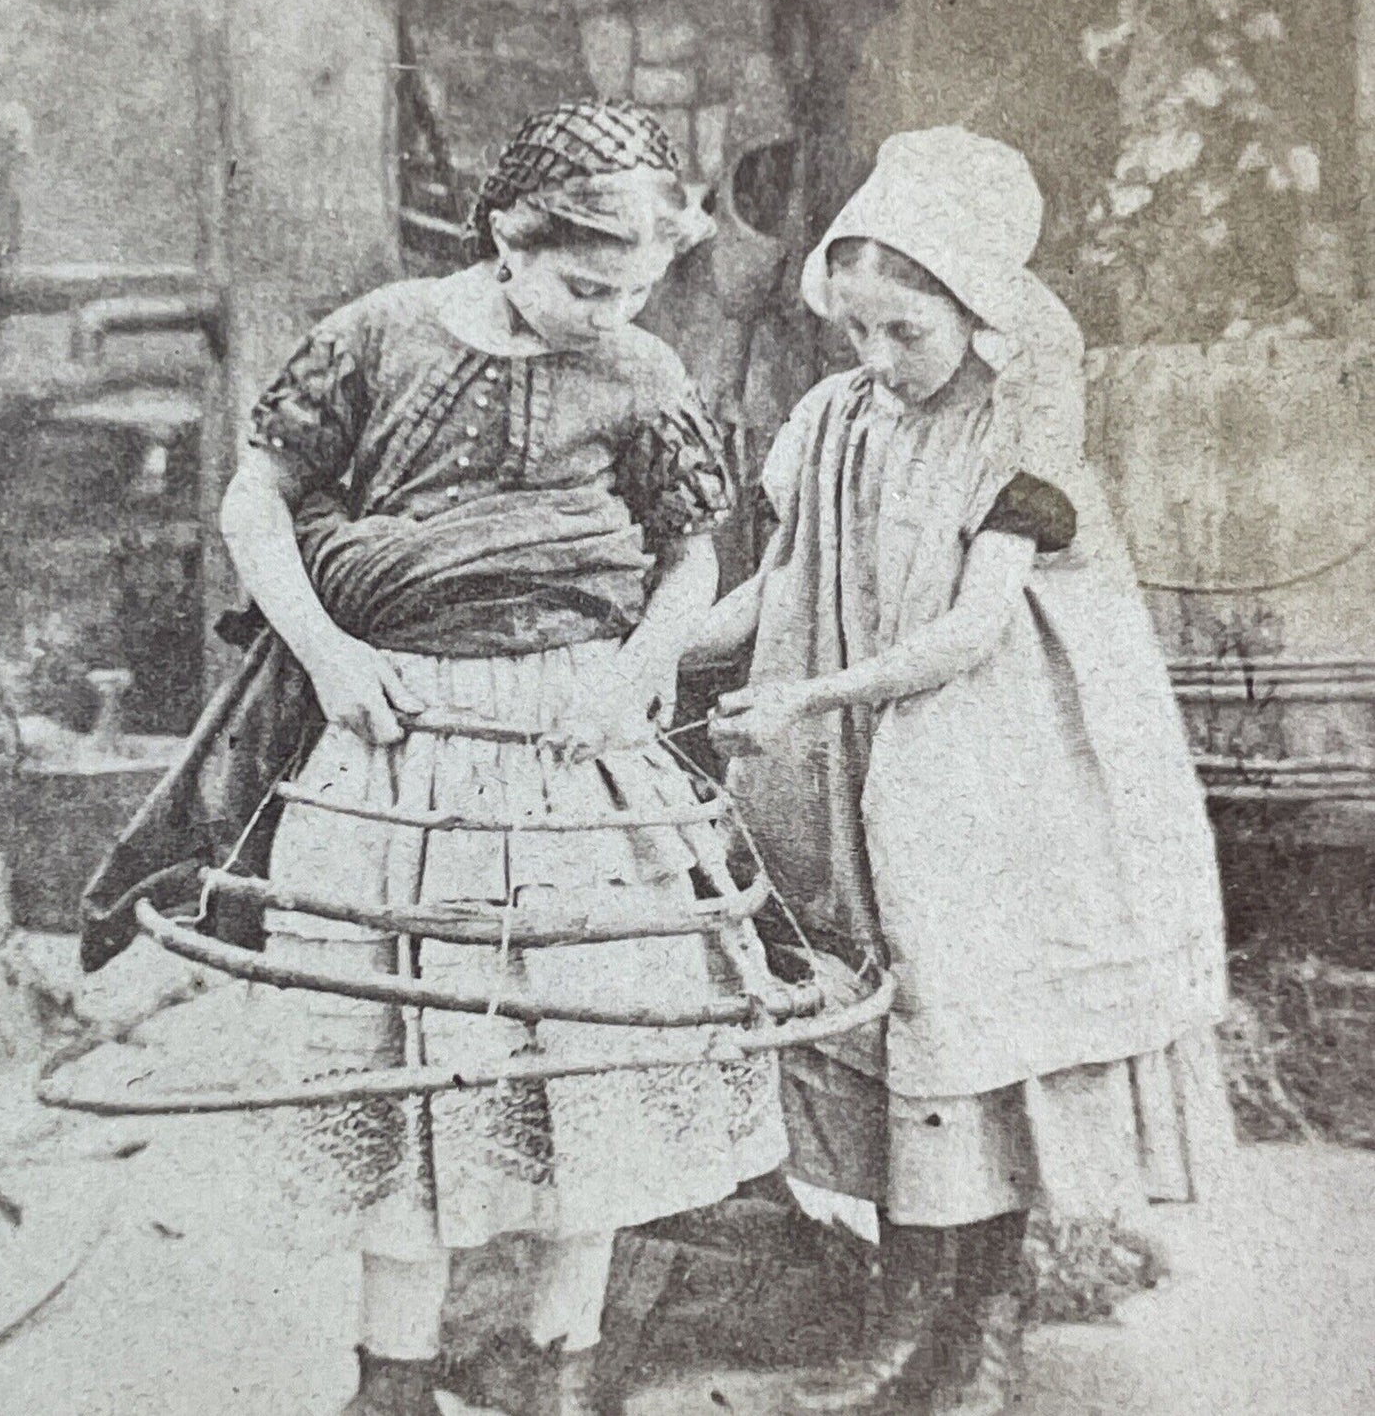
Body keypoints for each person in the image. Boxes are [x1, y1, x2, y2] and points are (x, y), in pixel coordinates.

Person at [84, 101, 786, 1416]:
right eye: (586, 282)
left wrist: (638, 671)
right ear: (507, 240)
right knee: (396, 1040)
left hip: (570, 742)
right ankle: (390, 1383)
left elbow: (692, 550)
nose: (610, 310)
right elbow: (257, 501)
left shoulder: (636, 370)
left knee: (585, 1049)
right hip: (397, 736)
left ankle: (559, 1363)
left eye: (635, 287)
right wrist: (332, 657)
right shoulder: (377, 335)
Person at [692, 127, 1232, 1415]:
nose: (877, 360)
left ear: (977, 318)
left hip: (996, 760)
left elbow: (977, 628)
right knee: (884, 1020)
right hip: (861, 753)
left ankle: (968, 1337)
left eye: (907, 334)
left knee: (962, 1013)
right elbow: (778, 588)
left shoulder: (1020, 428)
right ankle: (910, 1328)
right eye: (856, 329)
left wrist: (810, 695)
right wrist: (650, 642)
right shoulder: (834, 420)